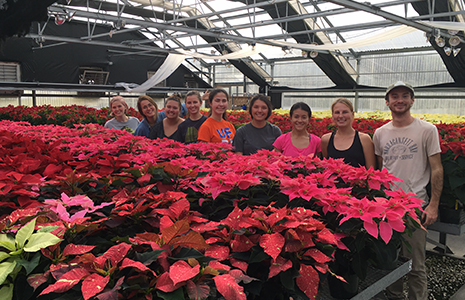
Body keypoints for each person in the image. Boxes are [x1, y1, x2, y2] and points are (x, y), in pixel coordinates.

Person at [373, 81, 443, 300]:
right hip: (387, 207)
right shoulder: (380, 133)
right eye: (394, 96)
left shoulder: (427, 130)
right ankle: (394, 296)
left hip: (415, 206)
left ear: (412, 100)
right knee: (390, 260)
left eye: (405, 96)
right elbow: (380, 170)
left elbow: (437, 169)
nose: (400, 100)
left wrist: (433, 205)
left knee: (416, 264)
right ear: (387, 102)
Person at [321, 98, 376, 168]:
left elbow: (371, 170)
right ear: (333, 116)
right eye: (337, 112)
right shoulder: (326, 140)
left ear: (352, 114)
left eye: (345, 112)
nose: (340, 116)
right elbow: (326, 167)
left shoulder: (364, 139)